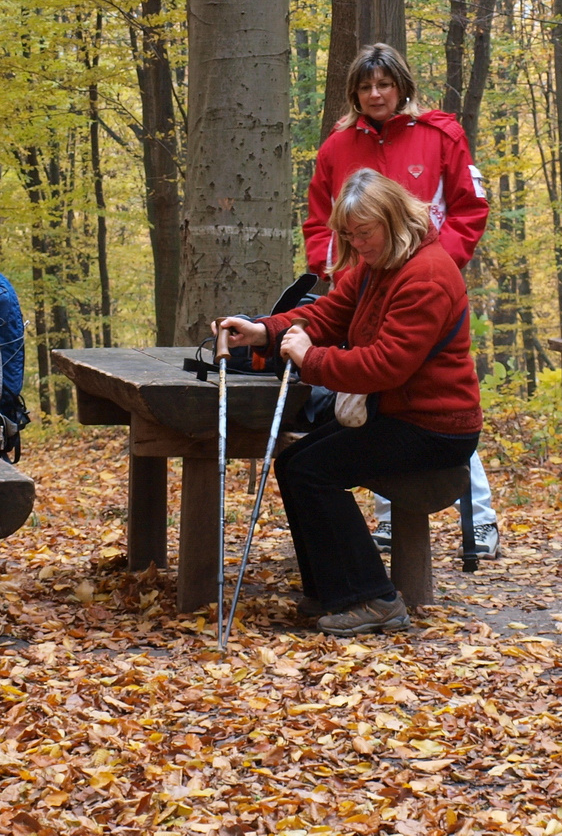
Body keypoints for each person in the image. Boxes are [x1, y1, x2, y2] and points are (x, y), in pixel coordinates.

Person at [215, 169, 482, 636]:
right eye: (350, 234)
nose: (358, 244)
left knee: (313, 471)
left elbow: (385, 366)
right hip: (398, 414)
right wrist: (264, 331)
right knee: (296, 461)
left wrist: (310, 359)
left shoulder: (427, 275)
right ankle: (331, 589)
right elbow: (329, 313)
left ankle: (372, 598)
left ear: (394, 220)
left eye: (365, 232)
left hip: (436, 428)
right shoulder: (380, 264)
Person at [305, 43, 501, 560]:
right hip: (357, 290)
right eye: (366, 87)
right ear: (354, 93)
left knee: (431, 395)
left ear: (401, 86)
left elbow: (469, 208)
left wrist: (439, 265)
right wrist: (334, 273)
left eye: (384, 85)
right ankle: (391, 518)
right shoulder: (337, 146)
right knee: (370, 403)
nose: (375, 95)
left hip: (423, 288)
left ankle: (478, 520)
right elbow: (318, 219)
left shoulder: (440, 136)